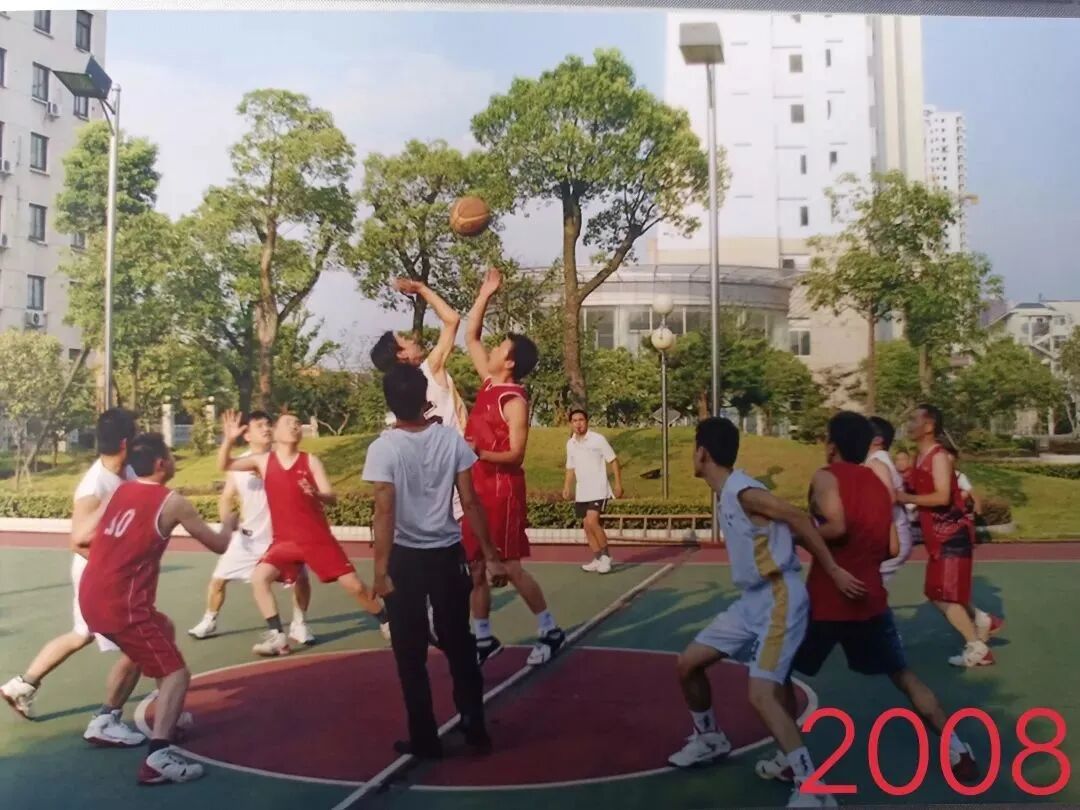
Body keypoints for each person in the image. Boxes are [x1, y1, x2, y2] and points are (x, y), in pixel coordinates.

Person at [754, 412, 978, 788]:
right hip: (871, 599)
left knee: (778, 675)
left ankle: (792, 759)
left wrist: (793, 534)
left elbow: (836, 526)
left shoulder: (826, 477)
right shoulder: (879, 483)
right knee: (904, 676)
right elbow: (891, 547)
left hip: (827, 601)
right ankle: (957, 747)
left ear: (832, 445)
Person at [668, 417, 865, 809]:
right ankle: (710, 738)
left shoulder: (744, 492)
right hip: (752, 601)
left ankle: (813, 787)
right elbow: (784, 528)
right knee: (688, 663)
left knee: (761, 694)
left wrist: (832, 569)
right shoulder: (729, 492)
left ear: (702, 453)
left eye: (694, 448)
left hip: (779, 598)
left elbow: (797, 517)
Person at [363, 365, 508, 758]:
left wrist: (380, 571)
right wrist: (491, 557)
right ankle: (475, 726)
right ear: (424, 396)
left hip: (405, 559)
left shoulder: (383, 448)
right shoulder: (450, 440)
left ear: (389, 402)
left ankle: (425, 738)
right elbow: (470, 502)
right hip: (447, 552)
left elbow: (384, 511)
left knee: (409, 655)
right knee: (458, 641)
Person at [76, 432, 238, 785]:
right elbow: (219, 544)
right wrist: (228, 520)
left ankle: (106, 718)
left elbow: (82, 537)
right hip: (123, 605)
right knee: (177, 673)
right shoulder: (172, 502)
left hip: (90, 595)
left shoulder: (120, 492)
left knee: (159, 632)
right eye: (172, 455)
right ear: (162, 463)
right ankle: (158, 757)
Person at [1, 408, 145, 748]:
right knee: (141, 645)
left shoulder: (127, 472)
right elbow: (78, 542)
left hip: (105, 573)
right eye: (137, 435)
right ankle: (107, 719)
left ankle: (23, 684)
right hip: (99, 575)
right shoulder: (94, 487)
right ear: (125, 442)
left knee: (82, 633)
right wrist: (118, 567)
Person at [218, 410, 390, 656]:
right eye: (288, 423)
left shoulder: (310, 461)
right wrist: (228, 439)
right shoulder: (263, 462)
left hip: (317, 540)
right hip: (284, 542)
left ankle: (386, 621)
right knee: (259, 578)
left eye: (298, 423)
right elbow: (225, 464)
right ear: (276, 432)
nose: (294, 426)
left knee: (354, 587)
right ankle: (278, 637)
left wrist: (316, 494)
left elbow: (332, 498)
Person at [460, 267, 564, 667]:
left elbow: (517, 455)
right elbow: (470, 336)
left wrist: (478, 454)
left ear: (510, 361)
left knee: (510, 566)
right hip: (476, 488)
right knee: (475, 566)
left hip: (501, 490)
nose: (491, 349)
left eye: (499, 347)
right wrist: (485, 293)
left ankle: (550, 629)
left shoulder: (514, 400)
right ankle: (484, 638)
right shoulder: (488, 383)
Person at [188, 411, 314, 645]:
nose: (266, 429)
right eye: (259, 426)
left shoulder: (284, 459)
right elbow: (227, 497)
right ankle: (209, 620)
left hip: (281, 538)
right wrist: (227, 523)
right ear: (246, 435)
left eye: (268, 424)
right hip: (248, 539)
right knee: (218, 580)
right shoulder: (238, 465)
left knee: (302, 579)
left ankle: (300, 624)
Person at [897, 405, 1002, 667]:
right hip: (937, 536)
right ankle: (982, 620)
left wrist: (904, 497)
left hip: (951, 535)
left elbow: (942, 496)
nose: (909, 424)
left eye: (914, 420)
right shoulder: (919, 457)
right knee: (940, 591)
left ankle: (976, 647)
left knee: (942, 595)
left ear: (929, 426)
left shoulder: (939, 457)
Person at [563, 409, 623, 574]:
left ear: (587, 421)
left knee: (592, 521)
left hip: (599, 489)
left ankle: (606, 557)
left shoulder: (598, 439)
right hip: (582, 491)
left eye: (581, 420)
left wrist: (618, 484)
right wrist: (567, 486)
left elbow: (613, 461)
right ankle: (597, 558)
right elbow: (570, 467)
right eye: (574, 421)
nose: (578, 424)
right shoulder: (570, 443)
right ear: (571, 424)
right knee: (586, 526)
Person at [866, 417, 913, 587]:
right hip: (891, 536)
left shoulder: (877, 462)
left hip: (890, 538)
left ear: (877, 440)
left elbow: (888, 498)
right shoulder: (878, 460)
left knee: (870, 588)